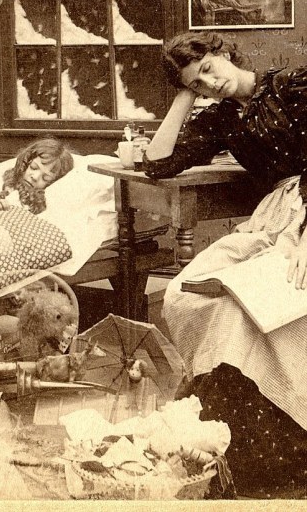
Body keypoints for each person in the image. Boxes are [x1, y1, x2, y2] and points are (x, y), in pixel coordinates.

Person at [143, 30, 306, 498]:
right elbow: (157, 163)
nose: (210, 85)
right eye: (198, 84)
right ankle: (238, 440)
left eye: (208, 70)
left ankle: (289, 435)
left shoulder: (292, 86)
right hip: (275, 216)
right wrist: (184, 93)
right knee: (187, 294)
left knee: (260, 308)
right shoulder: (222, 118)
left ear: (223, 52)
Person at [0, 137, 74, 214]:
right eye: (33, 167)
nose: (35, 177)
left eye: (45, 178)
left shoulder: (42, 201)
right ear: (26, 162)